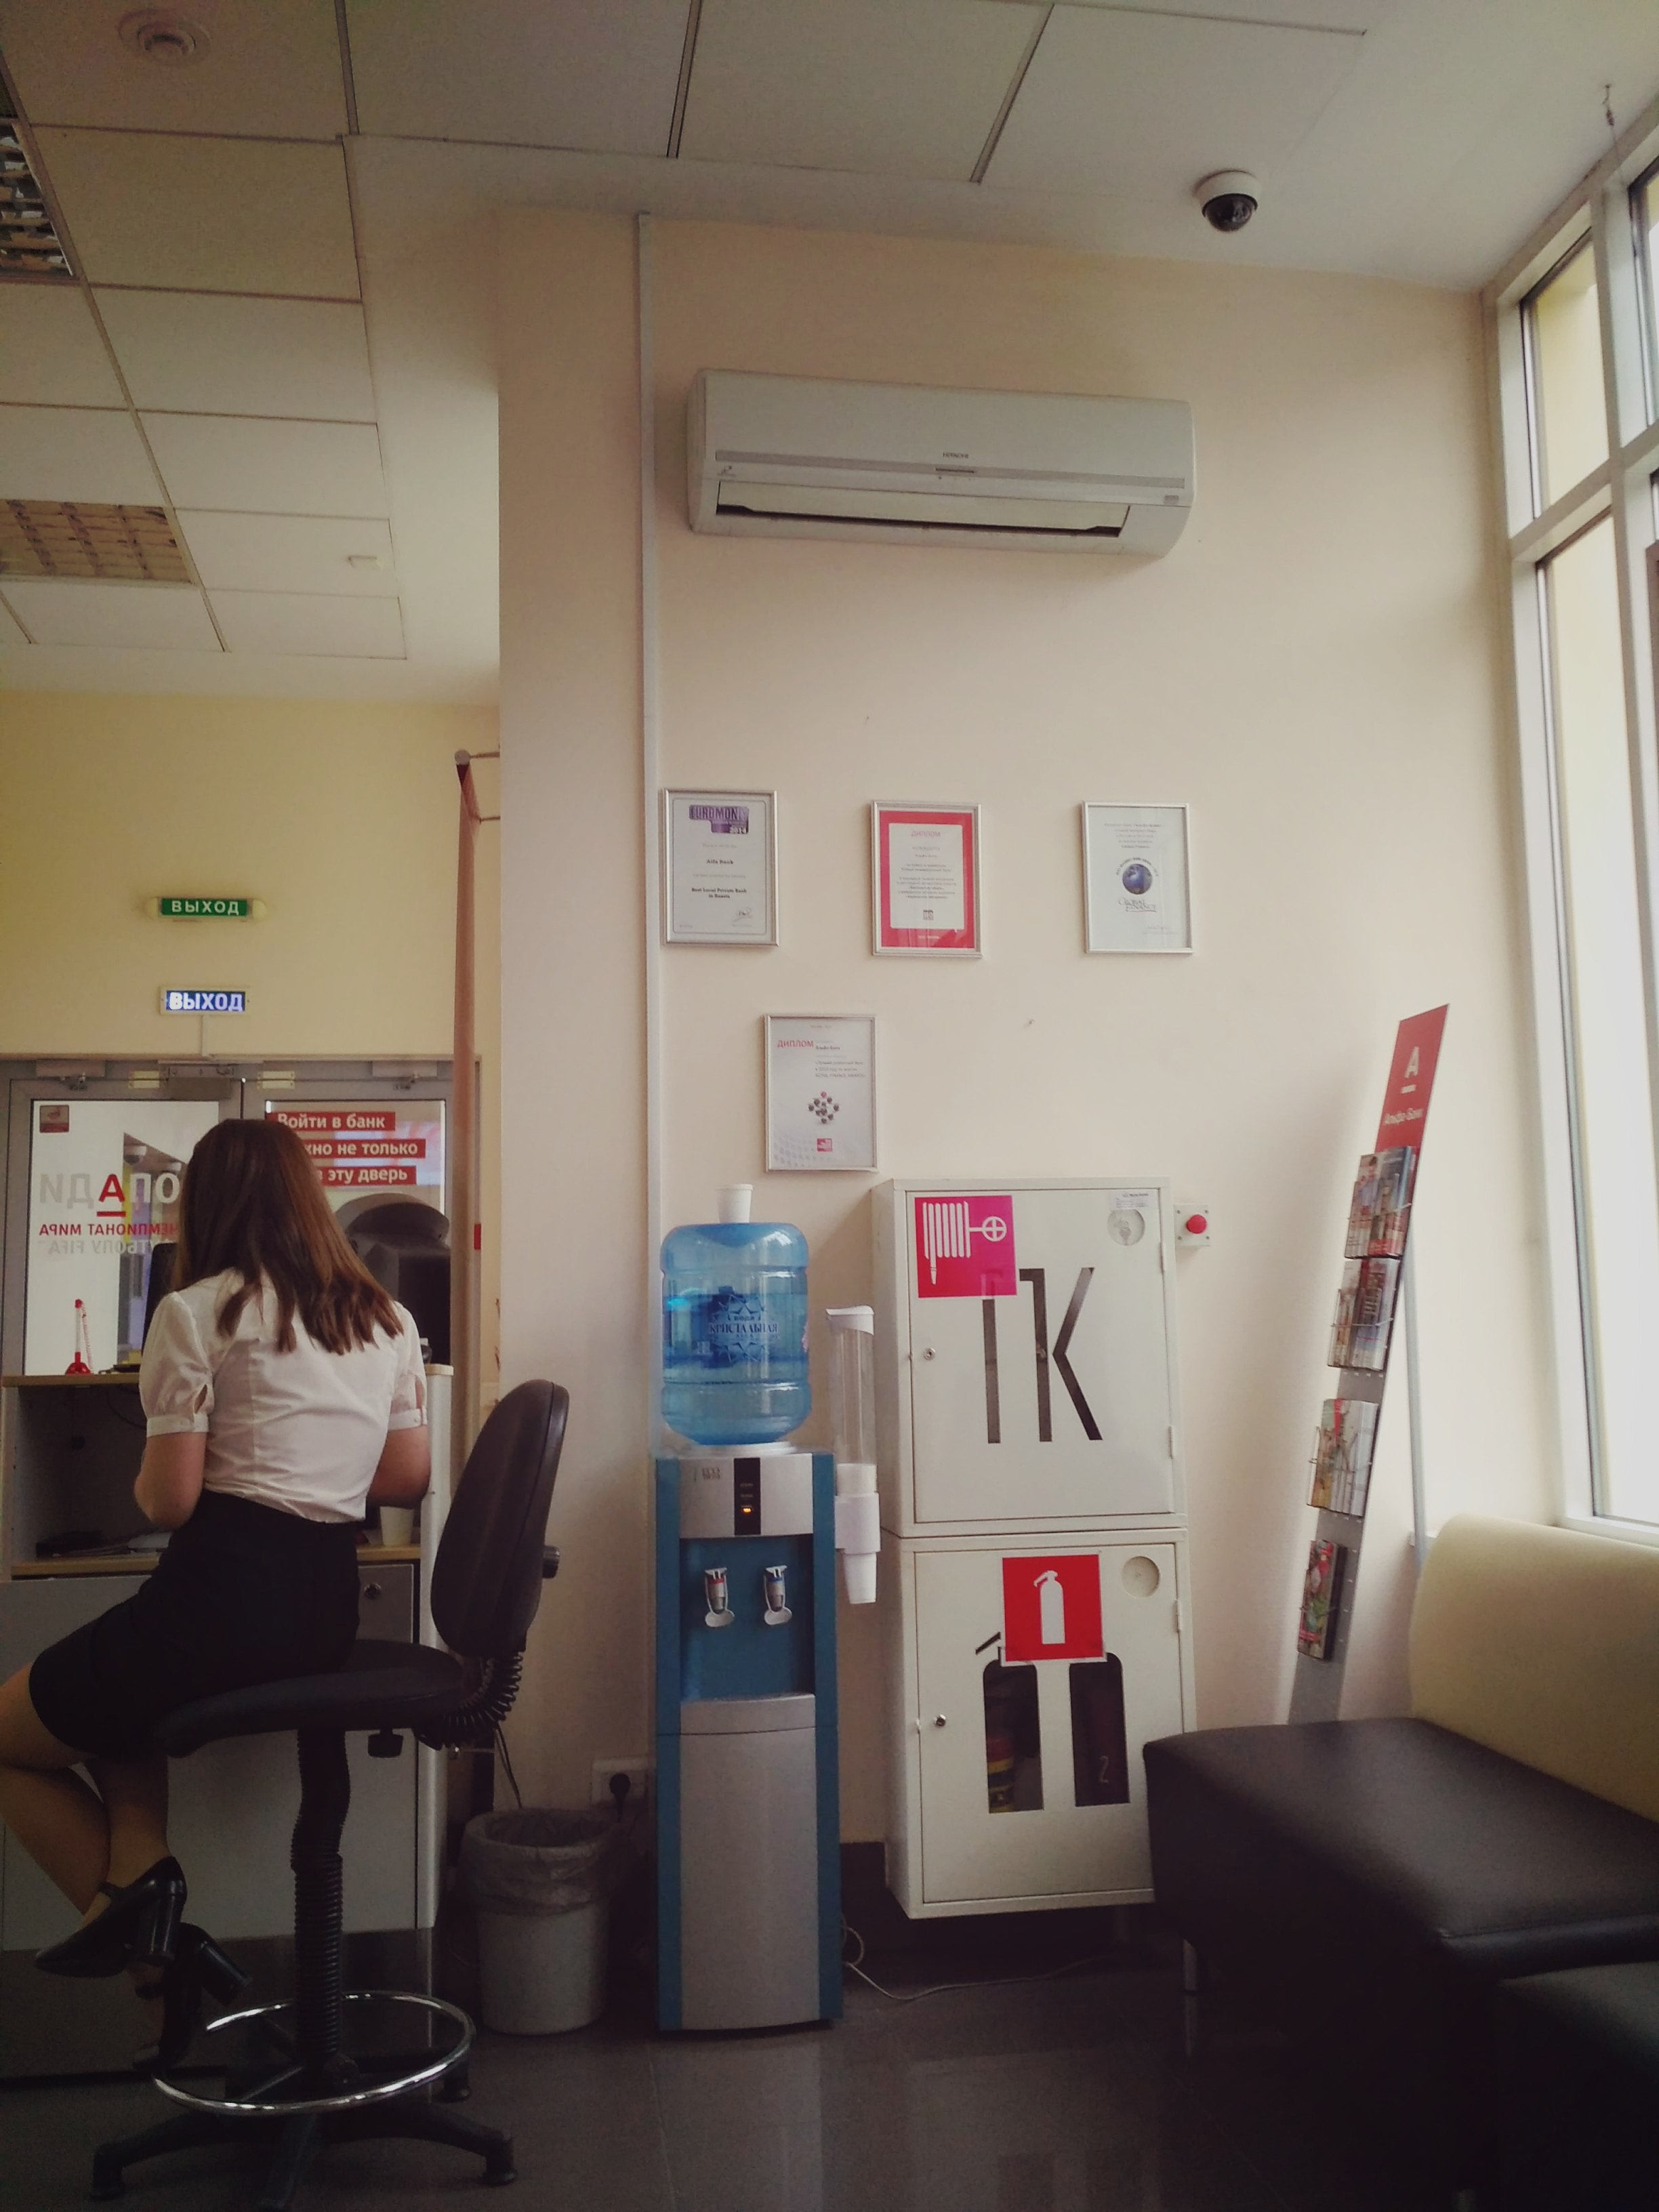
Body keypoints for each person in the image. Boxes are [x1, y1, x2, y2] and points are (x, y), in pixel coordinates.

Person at [0, 1119, 431, 2068]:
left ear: (206, 1207)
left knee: (6, 1737)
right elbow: (406, 1477)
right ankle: (141, 1877)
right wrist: (321, 1461)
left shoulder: (194, 1314)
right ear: (309, 1201)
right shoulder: (385, 1320)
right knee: (112, 1688)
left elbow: (170, 1501)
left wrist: (160, 1469)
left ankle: (153, 1946)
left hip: (219, 1609)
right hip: (322, 1612)